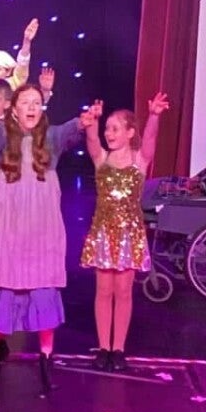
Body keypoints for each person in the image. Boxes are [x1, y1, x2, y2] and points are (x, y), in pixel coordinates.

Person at [0, 86, 100, 397]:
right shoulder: (4, 134)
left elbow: (73, 127)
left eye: (37, 102)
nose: (31, 107)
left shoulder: (52, 137)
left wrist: (85, 120)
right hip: (7, 225)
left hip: (40, 228)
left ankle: (45, 360)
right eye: (25, 102)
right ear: (14, 109)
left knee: (43, 291)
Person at [83, 94, 169, 370]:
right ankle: (103, 348)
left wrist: (154, 116)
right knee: (103, 290)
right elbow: (92, 141)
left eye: (115, 128)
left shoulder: (138, 161)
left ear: (130, 132)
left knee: (123, 292)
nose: (109, 134)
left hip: (128, 235)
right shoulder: (102, 160)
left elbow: (150, 140)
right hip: (103, 232)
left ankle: (118, 348)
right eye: (108, 129)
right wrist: (93, 122)